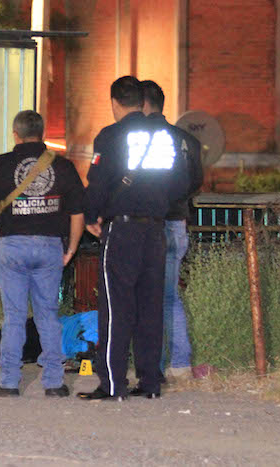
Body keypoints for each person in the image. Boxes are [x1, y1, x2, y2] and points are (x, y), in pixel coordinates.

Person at [78, 76, 189, 401]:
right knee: (151, 307)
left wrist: (90, 216)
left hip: (122, 230)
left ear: (114, 103)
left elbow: (98, 182)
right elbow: (180, 183)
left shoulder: (111, 136)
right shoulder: (168, 136)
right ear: (142, 102)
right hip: (156, 230)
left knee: (116, 306)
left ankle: (113, 384)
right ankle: (150, 382)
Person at [0, 110, 85, 397]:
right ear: (42, 133)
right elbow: (77, 213)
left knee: (14, 316)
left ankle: (9, 381)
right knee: (48, 314)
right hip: (50, 246)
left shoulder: (2, 164)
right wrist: (71, 248)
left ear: (16, 134)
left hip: (11, 246)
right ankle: (54, 382)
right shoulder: (62, 166)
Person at [141, 80, 203, 380]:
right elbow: (196, 181)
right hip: (177, 221)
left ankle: (165, 362)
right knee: (169, 295)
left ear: (143, 104)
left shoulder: (138, 138)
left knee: (152, 296)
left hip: (149, 222)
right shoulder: (186, 140)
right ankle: (176, 363)